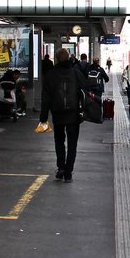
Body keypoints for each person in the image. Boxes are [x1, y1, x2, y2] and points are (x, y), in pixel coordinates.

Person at [40, 48, 90, 183]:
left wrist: (43, 118)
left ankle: (61, 168)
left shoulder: (51, 75)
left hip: (57, 114)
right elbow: (86, 88)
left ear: (56, 59)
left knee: (59, 141)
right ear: (69, 58)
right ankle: (68, 173)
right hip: (73, 114)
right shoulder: (76, 73)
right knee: (72, 144)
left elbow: (46, 98)